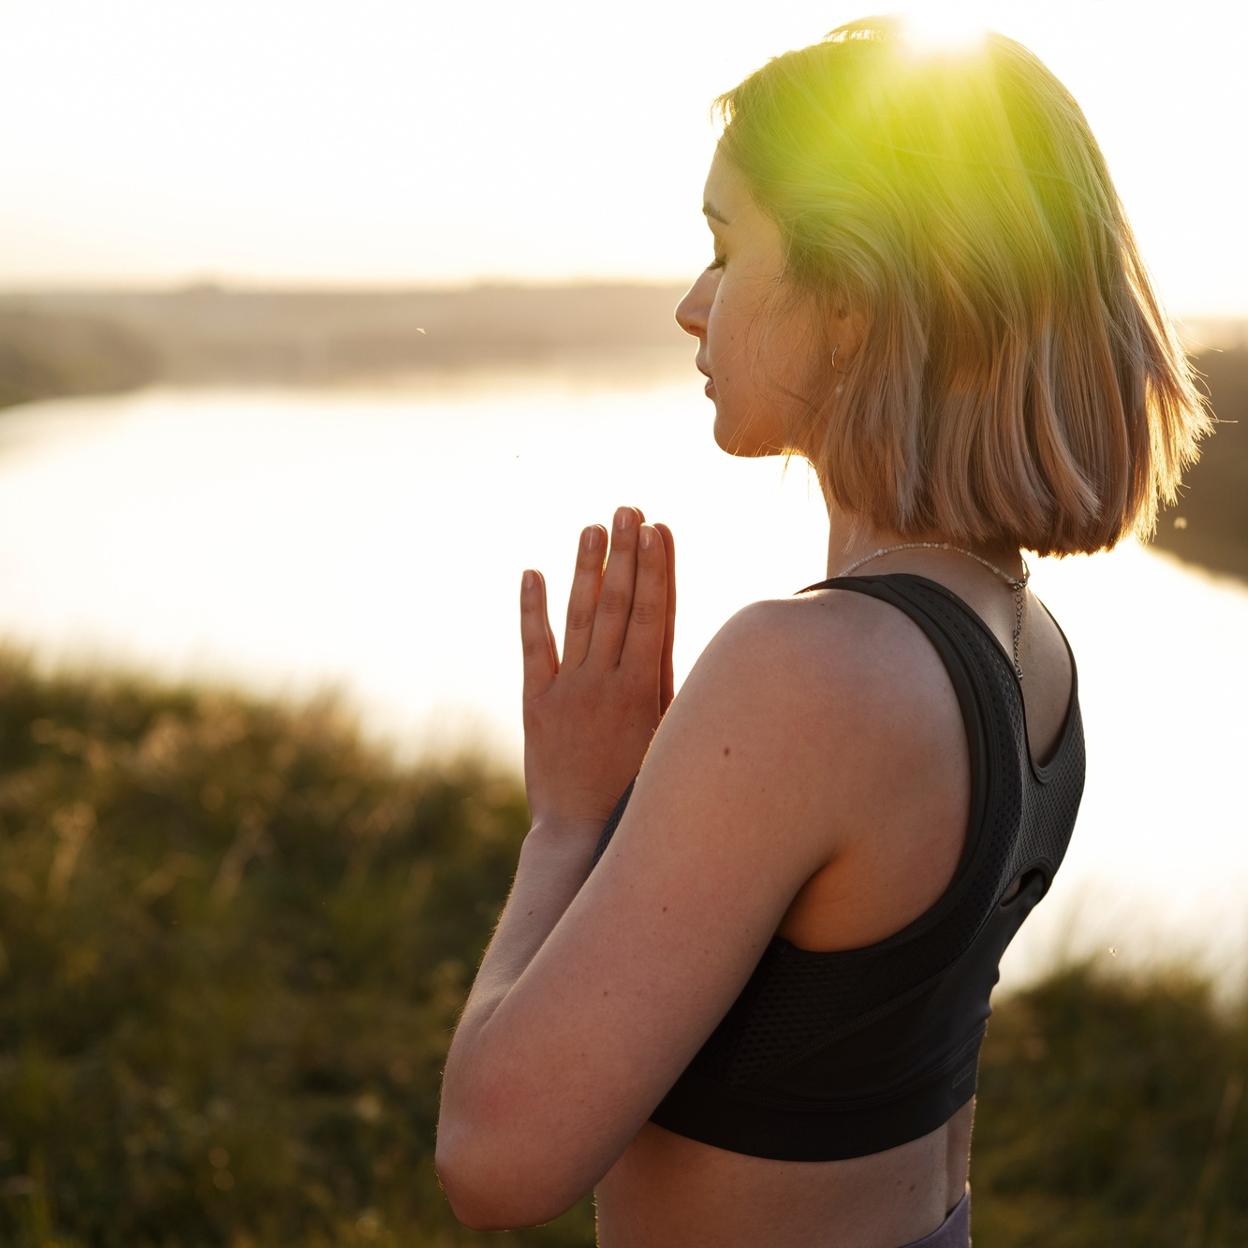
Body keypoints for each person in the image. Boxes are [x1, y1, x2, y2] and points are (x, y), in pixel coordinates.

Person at [435, 15, 1214, 1246]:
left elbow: (494, 1165)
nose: (694, 306)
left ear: (851, 300)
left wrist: (570, 817)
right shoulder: (1027, 646)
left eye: (726, 248)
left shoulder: (810, 673)